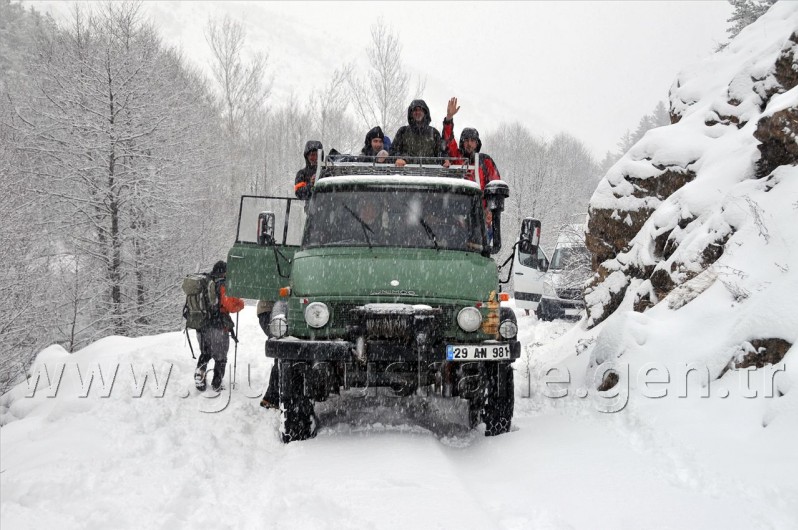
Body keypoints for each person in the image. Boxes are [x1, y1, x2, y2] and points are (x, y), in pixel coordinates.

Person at [194, 261, 244, 392]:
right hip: (218, 327)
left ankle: (200, 374)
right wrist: (241, 303)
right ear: (224, 272)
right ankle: (216, 383)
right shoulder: (223, 285)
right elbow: (232, 306)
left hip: (201, 326)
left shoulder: (205, 283)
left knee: (205, 353)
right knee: (221, 357)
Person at [442, 97, 502, 190]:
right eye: (466, 140)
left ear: (477, 143)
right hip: (456, 201)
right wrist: (449, 118)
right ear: (462, 143)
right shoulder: (456, 156)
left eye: (472, 140)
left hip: (480, 203)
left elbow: (496, 185)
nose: (469, 144)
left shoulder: (485, 161)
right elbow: (448, 138)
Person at [390, 99, 445, 166]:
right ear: (411, 113)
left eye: (421, 110)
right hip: (406, 172)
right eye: (415, 110)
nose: (418, 112)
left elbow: (441, 152)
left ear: (425, 112)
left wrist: (444, 160)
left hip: (430, 172)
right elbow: (392, 151)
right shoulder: (403, 131)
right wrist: (398, 158)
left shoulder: (434, 133)